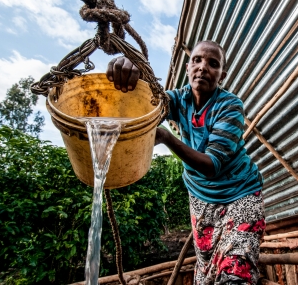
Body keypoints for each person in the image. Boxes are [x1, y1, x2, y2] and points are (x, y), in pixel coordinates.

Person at [107, 40, 265, 285]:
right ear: (188, 67)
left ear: (222, 75)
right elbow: (146, 103)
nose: (203, 67)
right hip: (200, 197)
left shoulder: (230, 106)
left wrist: (167, 137)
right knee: (206, 270)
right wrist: (131, 72)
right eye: (197, 60)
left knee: (235, 271)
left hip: (239, 194)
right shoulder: (178, 99)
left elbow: (212, 165)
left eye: (213, 64)